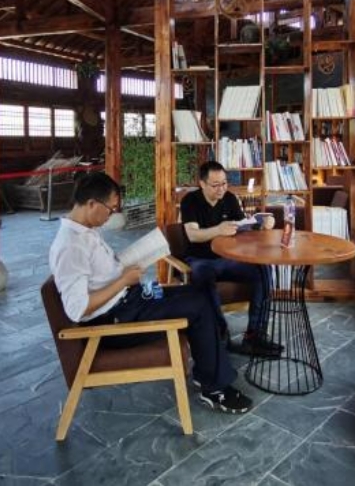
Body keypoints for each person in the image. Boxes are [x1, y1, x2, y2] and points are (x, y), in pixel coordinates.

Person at [49, 171, 252, 414]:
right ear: (92, 203)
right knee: (198, 306)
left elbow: (98, 276)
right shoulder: (71, 246)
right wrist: (123, 281)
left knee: (200, 291)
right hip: (116, 320)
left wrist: (125, 266)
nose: (111, 215)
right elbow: (78, 309)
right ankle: (215, 388)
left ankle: (207, 371)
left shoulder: (86, 231)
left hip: (129, 301)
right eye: (111, 209)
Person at [180, 161, 281, 356]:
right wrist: (218, 230)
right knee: (202, 276)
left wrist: (261, 224)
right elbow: (193, 235)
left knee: (263, 269)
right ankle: (220, 336)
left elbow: (242, 226)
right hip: (201, 259)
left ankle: (255, 336)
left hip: (229, 258)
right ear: (202, 183)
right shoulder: (190, 201)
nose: (221, 189)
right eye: (215, 185)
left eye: (224, 183)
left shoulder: (229, 198)